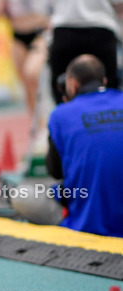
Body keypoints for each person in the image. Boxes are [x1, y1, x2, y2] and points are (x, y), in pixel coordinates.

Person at [45, 55, 123, 236]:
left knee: (25, 196)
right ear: (103, 80)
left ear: (72, 84)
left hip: (88, 228)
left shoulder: (61, 115)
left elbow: (55, 171)